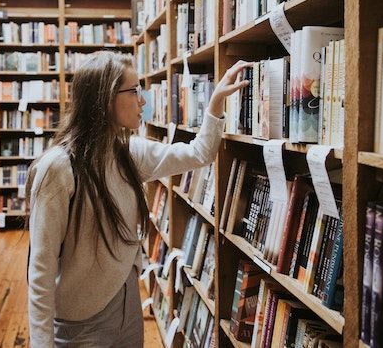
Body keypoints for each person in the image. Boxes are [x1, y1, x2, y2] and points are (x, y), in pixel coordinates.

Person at [26, 51, 250, 347]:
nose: (143, 101)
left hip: (127, 303)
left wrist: (215, 104)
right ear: (106, 99)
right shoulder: (58, 167)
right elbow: (40, 269)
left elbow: (200, 153)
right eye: (134, 91)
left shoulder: (130, 152)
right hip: (80, 321)